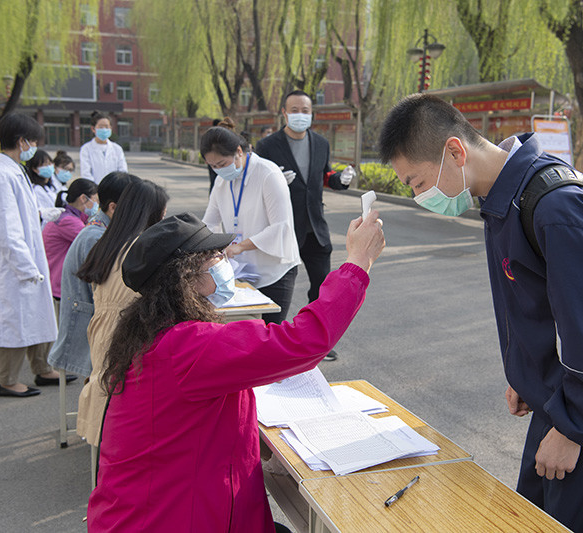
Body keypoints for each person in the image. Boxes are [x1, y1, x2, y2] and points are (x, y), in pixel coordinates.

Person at [377, 93, 583, 533]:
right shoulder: (505, 200)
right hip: (561, 403)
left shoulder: (556, 208)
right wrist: (528, 373)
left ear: (455, 151)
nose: (418, 195)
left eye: (417, 182)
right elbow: (541, 306)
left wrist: (575, 428)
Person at [86, 211, 385, 530]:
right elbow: (304, 340)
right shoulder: (187, 347)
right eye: (214, 258)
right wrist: (357, 263)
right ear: (187, 278)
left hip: (166, 508)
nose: (223, 261)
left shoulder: (153, 335)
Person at [255, 90, 356, 359]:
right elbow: (256, 187)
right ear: (284, 113)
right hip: (284, 227)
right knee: (277, 285)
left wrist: (341, 180)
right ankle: (271, 343)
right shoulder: (266, 146)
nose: (301, 115)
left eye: (305, 110)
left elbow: (325, 176)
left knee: (322, 288)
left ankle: (317, 343)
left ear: (311, 113)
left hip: (315, 229)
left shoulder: (321, 143)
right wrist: (276, 183)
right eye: (295, 110)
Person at [75, 179, 169, 448]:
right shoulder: (140, 251)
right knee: (120, 414)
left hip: (102, 333)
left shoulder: (108, 242)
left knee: (106, 402)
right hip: (127, 337)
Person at [0, 113, 65, 397]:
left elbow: (21, 216)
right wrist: (25, 266)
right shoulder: (2, 176)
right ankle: (6, 381)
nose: (34, 147)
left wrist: (43, 214)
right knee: (13, 323)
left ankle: (41, 368)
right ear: (22, 141)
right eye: (33, 142)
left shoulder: (15, 171)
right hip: (13, 267)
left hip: (28, 259)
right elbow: (6, 230)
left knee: (35, 317)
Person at [201, 126, 300, 324]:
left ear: (239, 151)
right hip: (241, 272)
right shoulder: (221, 183)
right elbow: (209, 223)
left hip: (274, 272)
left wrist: (240, 246)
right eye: (213, 166)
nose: (219, 171)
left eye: (222, 163)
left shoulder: (268, 174)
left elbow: (281, 227)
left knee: (270, 336)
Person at [47, 172, 137, 378]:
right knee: (99, 383)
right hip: (88, 323)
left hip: (93, 321)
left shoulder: (103, 229)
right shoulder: (95, 237)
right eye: (132, 209)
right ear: (113, 207)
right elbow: (108, 291)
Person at [41, 178, 99, 302]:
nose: (97, 205)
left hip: (57, 282)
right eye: (96, 200)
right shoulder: (68, 221)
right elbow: (95, 243)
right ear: (83, 198)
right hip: (58, 285)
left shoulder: (70, 217)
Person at [79, 111, 128, 184]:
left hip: (115, 190)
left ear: (111, 128)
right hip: (94, 191)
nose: (104, 129)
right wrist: (94, 190)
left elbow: (123, 171)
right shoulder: (86, 149)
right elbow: (86, 173)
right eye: (101, 127)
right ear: (93, 128)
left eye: (107, 127)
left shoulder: (117, 149)